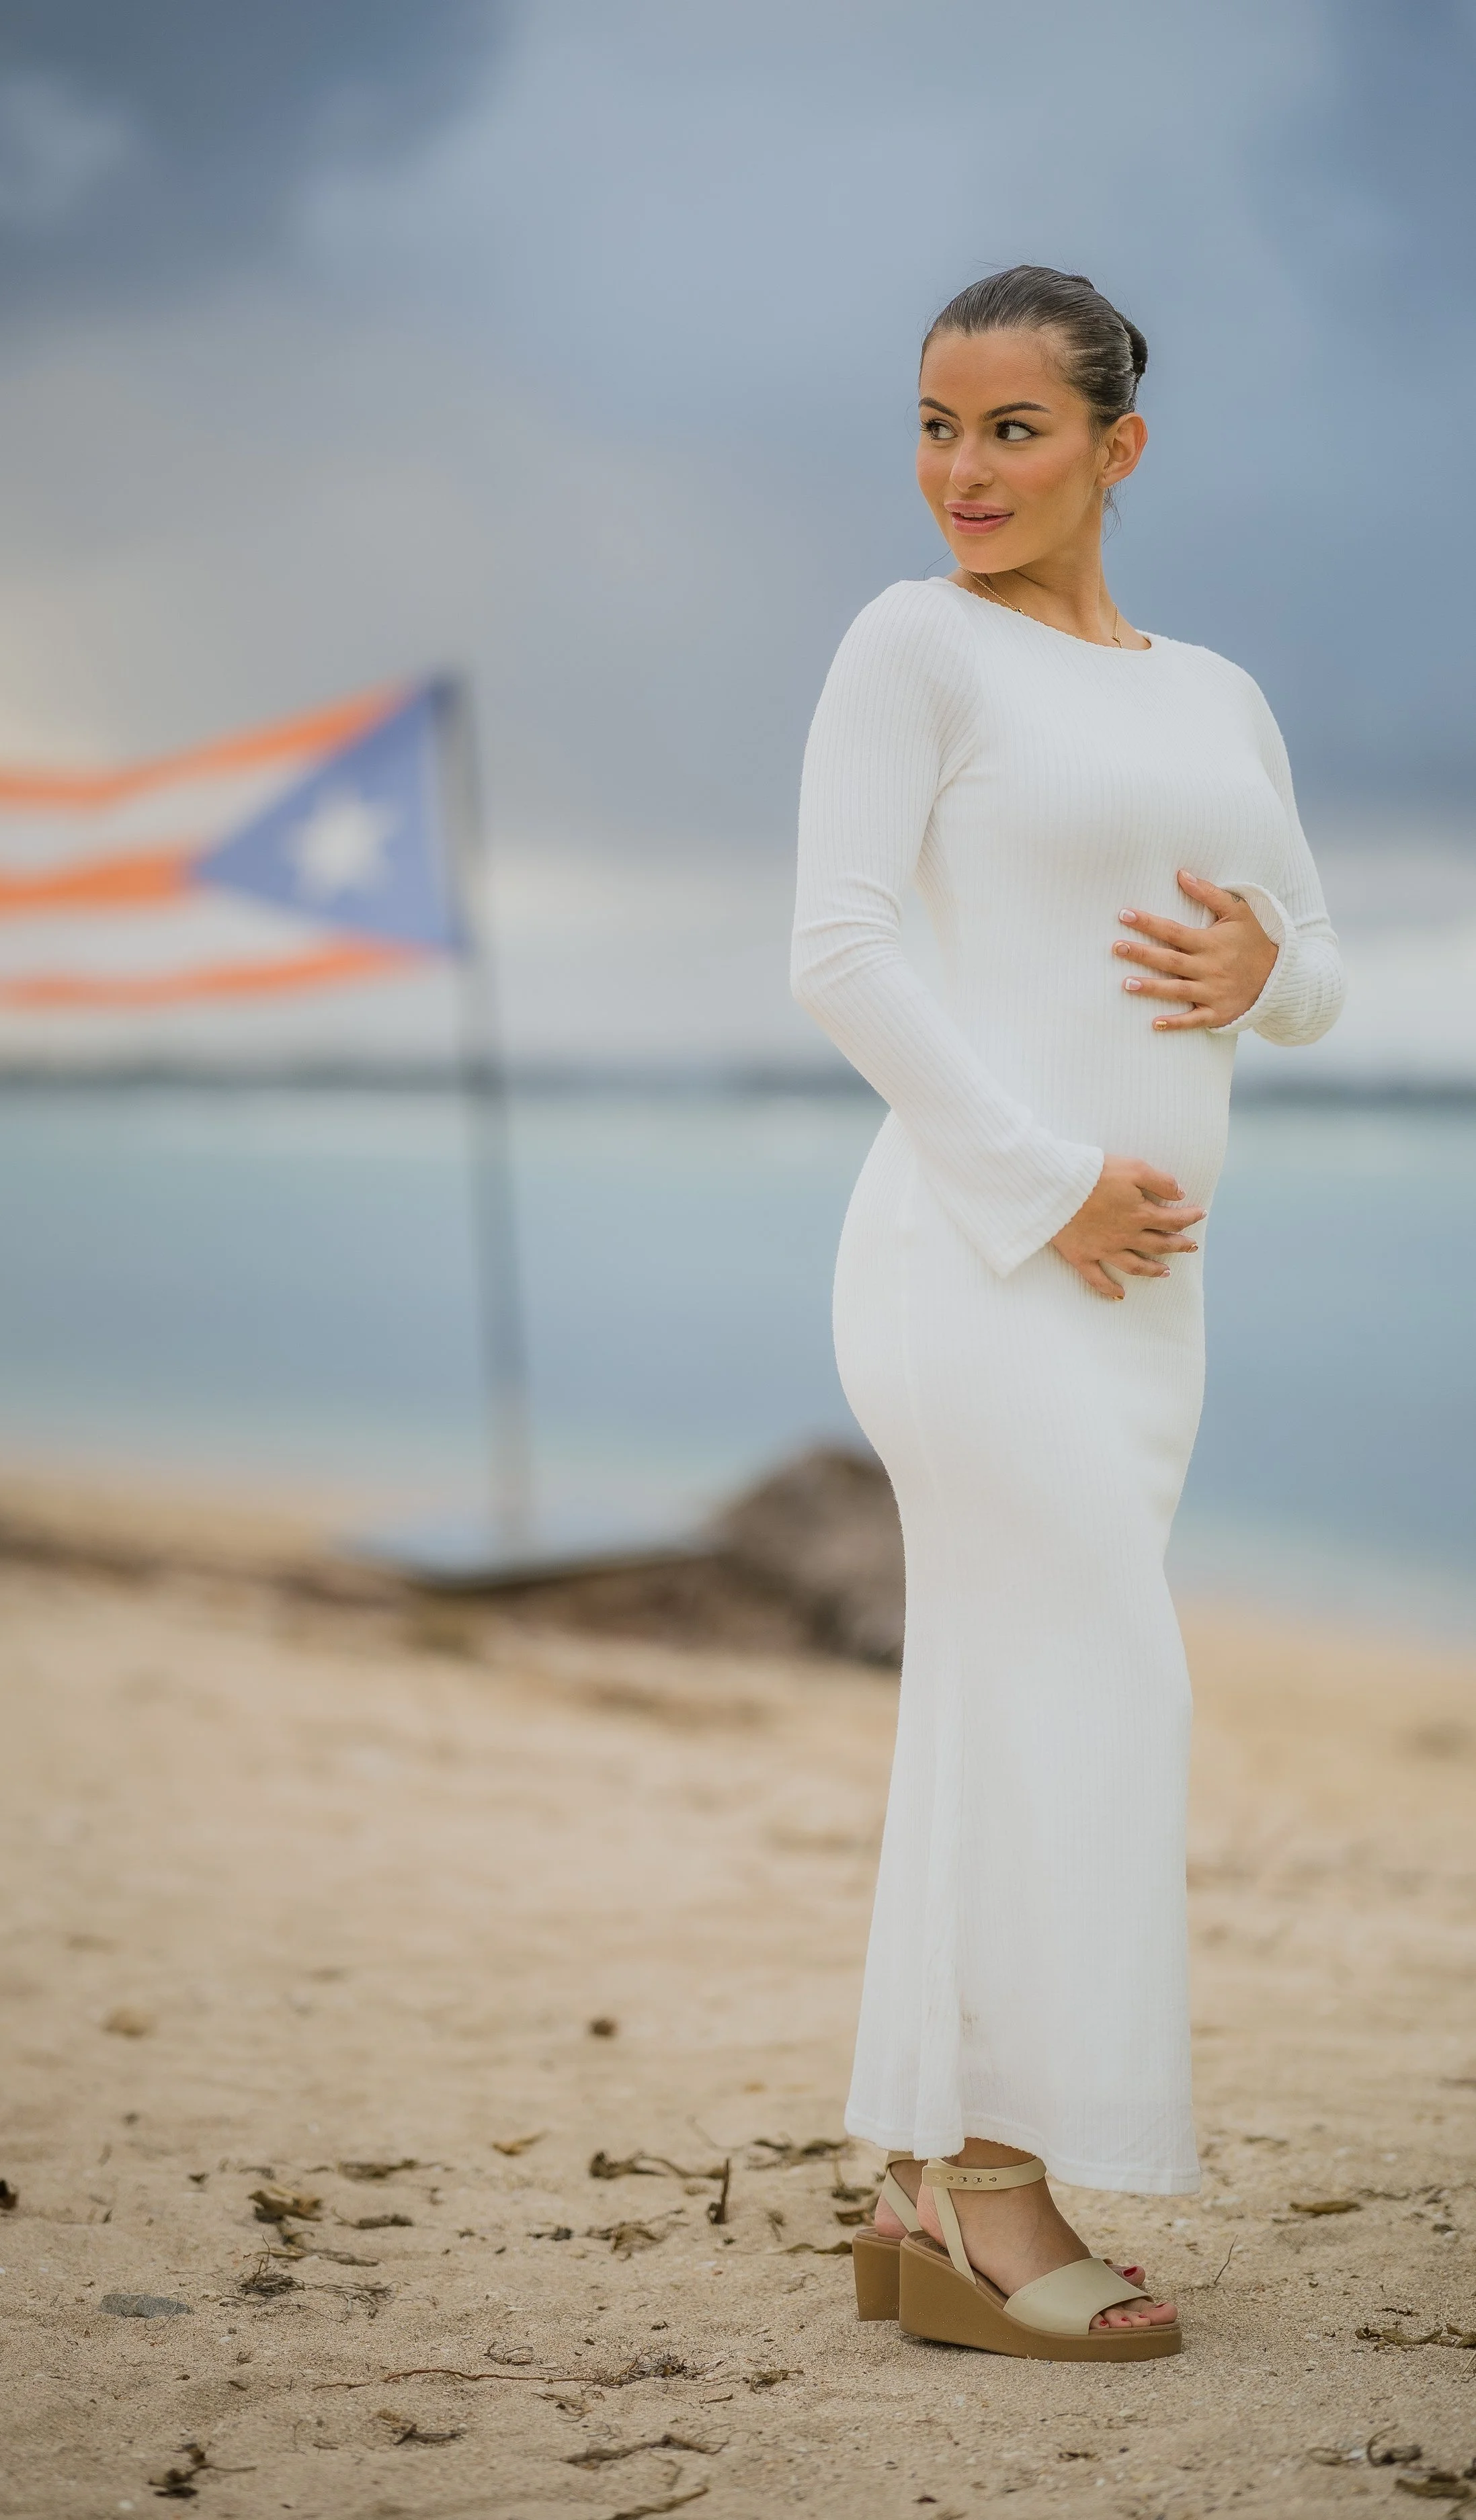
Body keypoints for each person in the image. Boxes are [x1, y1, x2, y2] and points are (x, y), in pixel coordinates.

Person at [790, 266, 1344, 2362]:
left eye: (1010, 431)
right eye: (934, 426)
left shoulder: (1211, 693)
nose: (960, 472)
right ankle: (999, 2185)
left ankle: (918, 2181)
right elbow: (841, 952)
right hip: (974, 1265)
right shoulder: (906, 644)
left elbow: (1318, 968)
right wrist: (1045, 1190)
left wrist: (1254, 974)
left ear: (1117, 446)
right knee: (1091, 1689)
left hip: (1144, 1304)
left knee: (1003, 1699)